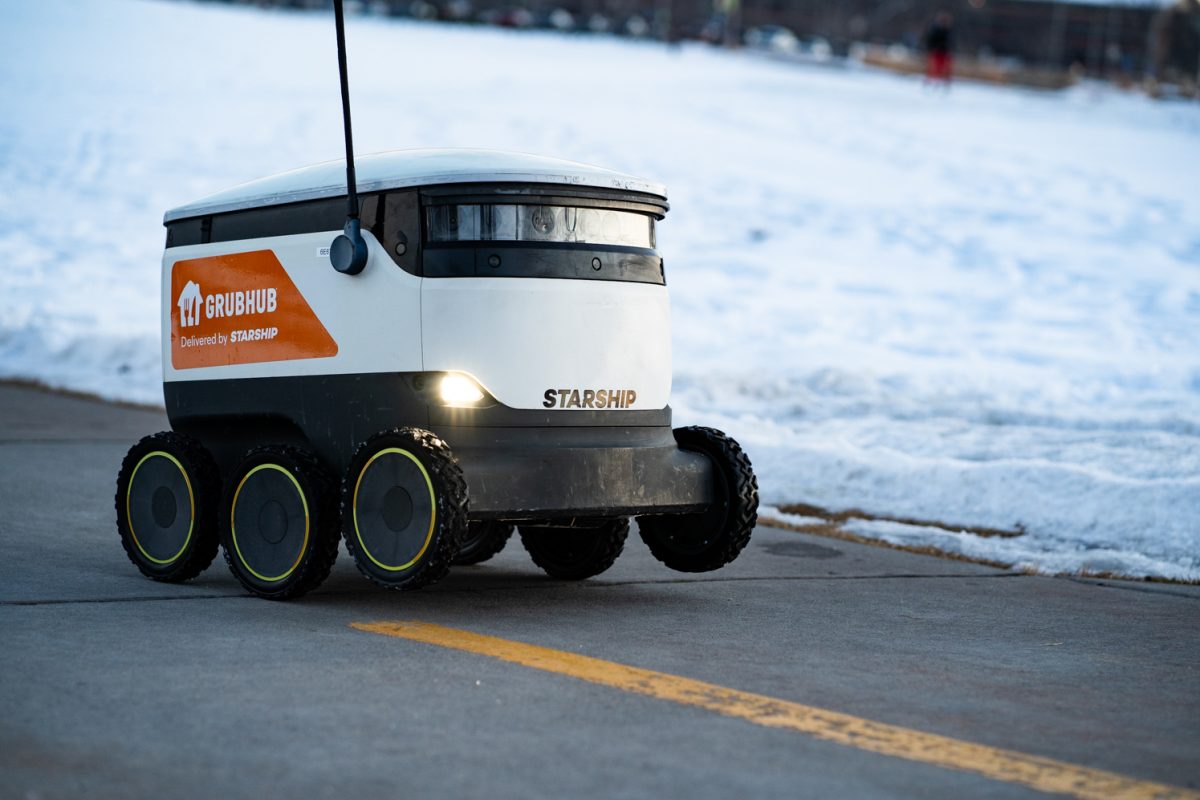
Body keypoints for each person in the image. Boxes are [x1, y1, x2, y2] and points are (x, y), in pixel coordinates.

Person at [924, 12, 954, 85]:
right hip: (937, 51)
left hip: (944, 52)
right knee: (935, 68)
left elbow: (950, 42)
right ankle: (933, 82)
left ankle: (940, 82)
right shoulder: (936, 29)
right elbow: (931, 40)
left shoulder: (948, 30)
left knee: (943, 68)